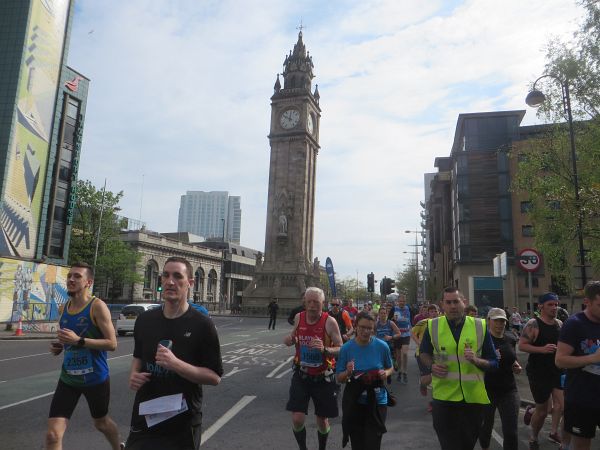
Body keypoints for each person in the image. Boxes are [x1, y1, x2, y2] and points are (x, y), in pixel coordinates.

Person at [125, 257, 223, 450]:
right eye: (166, 275)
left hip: (182, 424)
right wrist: (133, 375)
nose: (170, 281)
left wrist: (175, 364)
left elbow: (214, 377)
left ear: (190, 283)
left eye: (178, 276)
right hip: (145, 417)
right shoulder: (144, 320)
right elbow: (138, 356)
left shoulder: (202, 325)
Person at [46, 262, 122, 450]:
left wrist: (79, 340)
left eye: (77, 276)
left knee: (101, 423)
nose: (71, 279)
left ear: (88, 282)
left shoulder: (97, 307)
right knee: (53, 435)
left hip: (95, 378)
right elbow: (69, 340)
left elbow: (112, 344)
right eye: (70, 275)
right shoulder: (64, 308)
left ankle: (118, 447)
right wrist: (61, 346)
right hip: (69, 379)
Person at [419, 287, 499, 450]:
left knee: (466, 445)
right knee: (449, 445)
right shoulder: (433, 326)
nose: (453, 306)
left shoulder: (480, 326)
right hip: (444, 399)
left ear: (464, 302)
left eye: (456, 301)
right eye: (448, 302)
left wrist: (476, 360)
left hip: (473, 400)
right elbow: (424, 353)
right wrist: (431, 366)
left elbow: (494, 363)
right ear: (442, 305)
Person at [284, 287, 343, 450]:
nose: (312, 305)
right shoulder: (298, 317)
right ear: (304, 302)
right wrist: (289, 340)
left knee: (322, 421)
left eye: (316, 302)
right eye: (309, 301)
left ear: (322, 304)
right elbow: (292, 337)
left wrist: (325, 349)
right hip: (301, 375)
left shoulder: (329, 321)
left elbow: (341, 348)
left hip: (323, 377)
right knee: (297, 418)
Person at [337, 311, 394, 450]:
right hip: (355, 401)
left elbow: (390, 367)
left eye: (369, 328)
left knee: (373, 443)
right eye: (362, 327)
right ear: (355, 327)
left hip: (377, 400)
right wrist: (348, 372)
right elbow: (339, 378)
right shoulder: (346, 348)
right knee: (357, 443)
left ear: (373, 329)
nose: (365, 331)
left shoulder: (382, 346)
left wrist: (384, 373)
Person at [555, 281, 600, 450]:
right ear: (587, 302)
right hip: (582, 398)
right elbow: (560, 360)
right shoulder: (574, 324)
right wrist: (592, 358)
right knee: (582, 445)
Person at [519, 292, 564, 449]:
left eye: (556, 304)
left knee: (561, 405)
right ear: (541, 306)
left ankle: (555, 434)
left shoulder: (559, 324)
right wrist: (542, 349)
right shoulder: (534, 324)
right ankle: (534, 437)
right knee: (543, 412)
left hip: (557, 370)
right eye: (550, 304)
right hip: (538, 373)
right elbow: (522, 345)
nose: (554, 307)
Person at [478, 308, 522, 450]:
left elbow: (511, 358)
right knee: (485, 429)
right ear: (488, 321)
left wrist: (516, 365)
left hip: (508, 390)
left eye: (502, 321)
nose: (499, 324)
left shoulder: (510, 338)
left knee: (511, 432)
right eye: (496, 320)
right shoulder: (482, 340)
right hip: (486, 390)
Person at [411, 304, 439, 409]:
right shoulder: (423, 322)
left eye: (435, 311)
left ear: (439, 312)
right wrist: (419, 343)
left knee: (436, 378)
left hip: (437, 354)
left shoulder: (443, 322)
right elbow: (413, 333)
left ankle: (432, 402)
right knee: (427, 379)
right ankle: (422, 384)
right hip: (422, 354)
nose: (434, 313)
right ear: (428, 313)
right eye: (431, 311)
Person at [375, 306, 400, 383]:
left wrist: (391, 337)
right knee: (381, 362)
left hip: (389, 345)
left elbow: (399, 333)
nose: (383, 315)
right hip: (379, 346)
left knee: (390, 362)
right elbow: (372, 335)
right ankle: (386, 374)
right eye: (381, 313)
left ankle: (393, 365)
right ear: (378, 314)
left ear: (387, 314)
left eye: (385, 313)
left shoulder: (391, 323)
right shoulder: (376, 324)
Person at [390, 296, 411, 384]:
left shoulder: (408, 308)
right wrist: (393, 319)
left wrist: (411, 326)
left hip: (406, 334)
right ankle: (399, 371)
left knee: (405, 353)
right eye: (400, 301)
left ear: (405, 301)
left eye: (403, 301)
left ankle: (405, 372)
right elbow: (389, 320)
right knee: (398, 356)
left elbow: (411, 319)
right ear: (398, 302)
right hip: (397, 334)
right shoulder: (394, 309)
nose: (402, 303)